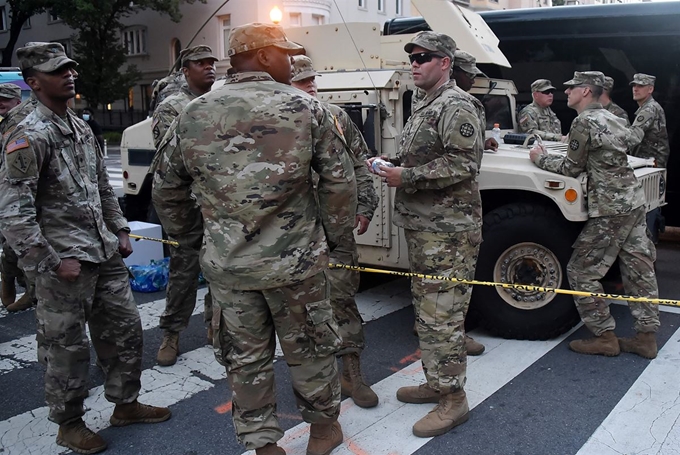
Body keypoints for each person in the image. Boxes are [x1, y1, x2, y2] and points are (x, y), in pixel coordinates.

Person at [152, 23, 355, 455]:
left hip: (229, 267)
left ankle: (263, 445)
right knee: (311, 350)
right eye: (284, 53)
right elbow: (339, 181)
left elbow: (166, 187)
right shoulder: (306, 107)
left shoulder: (193, 113)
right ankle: (322, 432)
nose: (291, 61)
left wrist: (193, 238)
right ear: (263, 57)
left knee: (245, 359)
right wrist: (335, 238)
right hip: (296, 262)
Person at [0, 42, 171, 454]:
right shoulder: (27, 135)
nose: (70, 75)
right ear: (34, 82)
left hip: (104, 252)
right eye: (59, 71)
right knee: (66, 346)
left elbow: (102, 188)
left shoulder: (76, 125)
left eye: (70, 68)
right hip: (64, 264)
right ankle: (69, 422)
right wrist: (52, 263)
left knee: (126, 332)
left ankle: (125, 404)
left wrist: (121, 230)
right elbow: (13, 214)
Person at [369, 31, 483, 438]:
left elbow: (463, 165)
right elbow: (424, 156)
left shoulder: (457, 104)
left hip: (448, 233)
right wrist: (391, 164)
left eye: (424, 57)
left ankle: (453, 398)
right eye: (412, 57)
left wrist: (407, 176)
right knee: (428, 315)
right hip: (426, 229)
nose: (415, 63)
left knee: (442, 318)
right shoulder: (424, 104)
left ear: (445, 62)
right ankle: (437, 382)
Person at [529, 71, 660, 359]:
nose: (566, 93)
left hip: (611, 208)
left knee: (580, 271)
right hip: (633, 201)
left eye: (572, 88)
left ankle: (604, 336)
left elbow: (571, 168)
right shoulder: (614, 117)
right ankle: (646, 338)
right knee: (639, 269)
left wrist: (539, 158)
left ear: (586, 91)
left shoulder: (584, 121)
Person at [291, 54, 380, 408]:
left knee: (342, 300)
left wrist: (366, 205)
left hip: (336, 229)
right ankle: (313, 380)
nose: (310, 85)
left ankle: (352, 372)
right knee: (298, 309)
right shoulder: (277, 121)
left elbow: (360, 160)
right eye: (301, 81)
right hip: (293, 233)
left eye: (312, 79)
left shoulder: (336, 116)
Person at [150, 45, 219, 366]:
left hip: (216, 198)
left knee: (218, 265)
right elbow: (173, 160)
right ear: (184, 69)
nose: (208, 68)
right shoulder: (171, 106)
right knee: (185, 267)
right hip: (184, 201)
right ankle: (172, 333)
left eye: (211, 62)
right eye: (200, 63)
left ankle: (213, 326)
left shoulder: (219, 102)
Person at [0, 82, 37, 312]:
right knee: (12, 242)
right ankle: (11, 282)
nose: (0, 103)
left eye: (4, 98)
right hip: (9, 189)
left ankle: (28, 290)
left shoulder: (21, 119)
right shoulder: (7, 121)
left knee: (22, 243)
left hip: (24, 190)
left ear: (17, 100)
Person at [627, 73, 670, 243]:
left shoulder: (648, 109)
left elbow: (633, 137)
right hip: (651, 164)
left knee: (647, 210)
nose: (635, 89)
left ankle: (647, 250)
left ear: (650, 89)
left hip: (649, 166)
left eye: (640, 86)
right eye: (634, 85)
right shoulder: (650, 107)